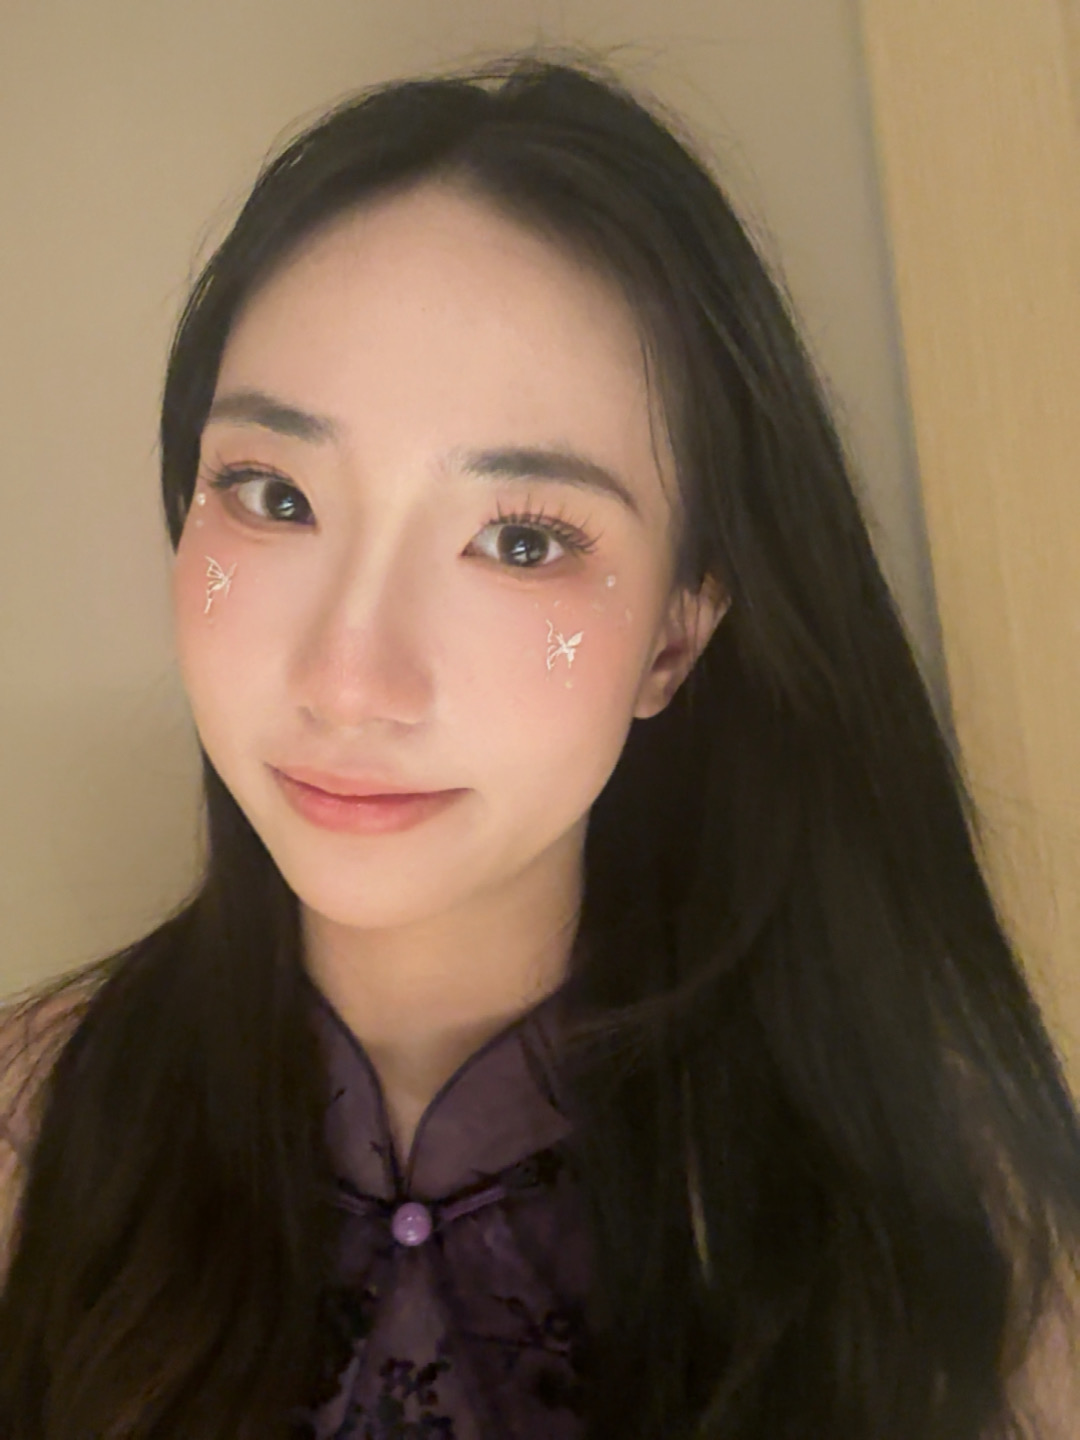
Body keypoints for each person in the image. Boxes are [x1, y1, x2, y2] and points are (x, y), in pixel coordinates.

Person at [1, 44, 1078, 1440]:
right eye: (272, 495)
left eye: (520, 541)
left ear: (676, 636)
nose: (350, 679)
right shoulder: (34, 1133)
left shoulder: (952, 1221)